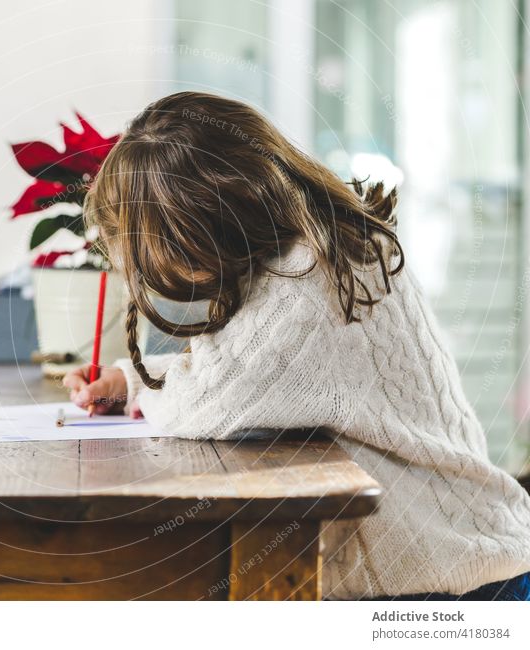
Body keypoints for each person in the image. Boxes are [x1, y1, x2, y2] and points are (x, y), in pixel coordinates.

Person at [63, 91, 530, 600]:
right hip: (465, 552)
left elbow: (202, 403)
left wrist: (140, 387)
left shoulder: (308, 281)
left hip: (452, 583)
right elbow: (245, 370)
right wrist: (131, 380)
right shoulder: (319, 244)